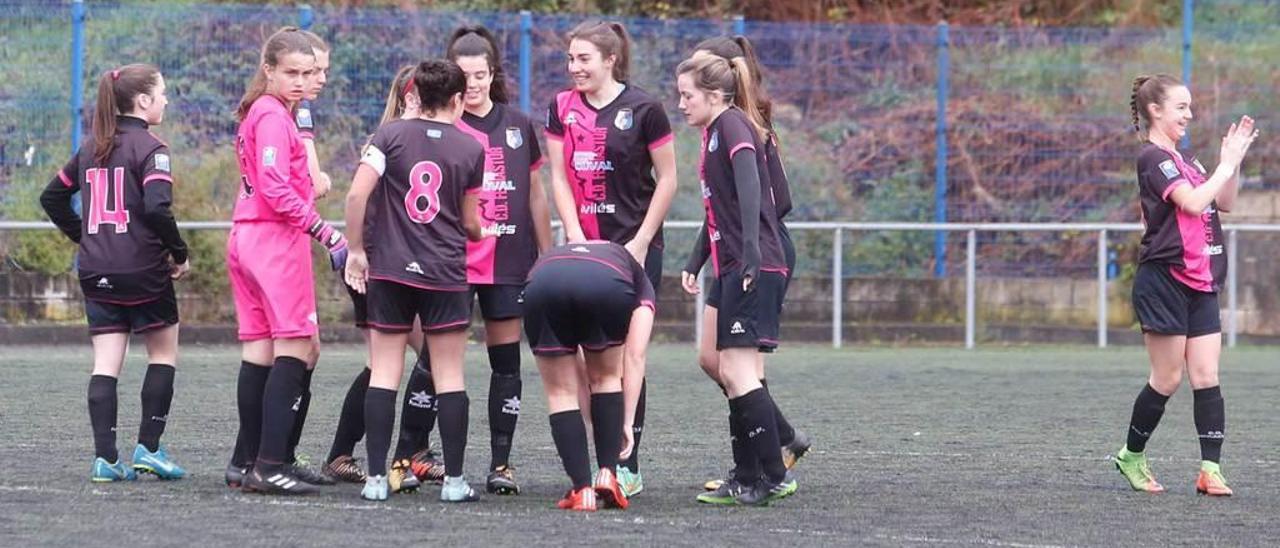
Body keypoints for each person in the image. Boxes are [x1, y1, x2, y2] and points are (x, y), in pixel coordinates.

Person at [544, 20, 677, 497]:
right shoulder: (561, 107)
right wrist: (576, 234)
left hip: (634, 251)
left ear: (609, 59)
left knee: (625, 359)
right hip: (583, 250)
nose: (573, 67)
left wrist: (641, 240)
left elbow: (668, 180)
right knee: (582, 360)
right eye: (570, 59)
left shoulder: (645, 109)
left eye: (583, 59)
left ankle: (628, 463)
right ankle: (601, 457)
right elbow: (558, 177)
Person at [343, 59, 486, 502]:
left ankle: (373, 481)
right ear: (459, 99)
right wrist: (483, 229)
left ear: (416, 96)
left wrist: (356, 251)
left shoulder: (389, 135)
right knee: (450, 375)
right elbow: (471, 223)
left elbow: (355, 194)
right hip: (445, 272)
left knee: (385, 370)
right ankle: (456, 483)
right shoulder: (471, 149)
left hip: (390, 268)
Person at [40, 63, 189, 483]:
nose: (166, 99)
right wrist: (178, 252)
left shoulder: (92, 146)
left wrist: (86, 236)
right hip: (143, 269)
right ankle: (150, 449)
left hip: (96, 270)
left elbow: (52, 197)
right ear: (142, 101)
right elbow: (158, 208)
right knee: (162, 355)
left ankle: (106, 459)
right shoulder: (152, 148)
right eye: (162, 92)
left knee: (106, 364)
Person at [1113, 73, 1257, 497]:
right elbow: (1193, 203)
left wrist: (1232, 162)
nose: (1189, 114)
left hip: (1201, 281)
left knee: (1207, 374)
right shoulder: (1152, 159)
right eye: (1181, 107)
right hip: (1164, 280)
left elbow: (1223, 201)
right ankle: (1131, 455)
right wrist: (1225, 166)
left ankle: (1210, 470)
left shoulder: (1189, 161)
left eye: (1190, 107)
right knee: (1168, 378)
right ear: (1154, 110)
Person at [682, 36, 810, 493]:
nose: (683, 98)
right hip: (737, 253)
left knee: (739, 367)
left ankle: (766, 466)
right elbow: (720, 203)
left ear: (718, 82)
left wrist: (752, 244)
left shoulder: (741, 126)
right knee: (717, 361)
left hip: (756, 255)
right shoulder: (718, 129)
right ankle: (768, 454)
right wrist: (699, 257)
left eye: (692, 84)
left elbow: (775, 199)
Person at [225, 27, 347, 495]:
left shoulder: (265, 111)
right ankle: (270, 464)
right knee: (296, 347)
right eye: (293, 72)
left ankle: (246, 461)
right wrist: (325, 232)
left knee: (261, 350)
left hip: (247, 235)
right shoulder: (273, 115)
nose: (303, 81)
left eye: (310, 72)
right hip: (274, 241)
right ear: (269, 70)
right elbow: (275, 188)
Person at [322, 65, 445, 487]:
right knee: (393, 361)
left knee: (424, 356)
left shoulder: (419, 138)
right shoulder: (391, 140)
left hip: (403, 266)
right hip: (378, 268)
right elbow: (359, 200)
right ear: (414, 97)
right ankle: (375, 454)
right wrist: (358, 254)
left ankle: (408, 451)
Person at [447, 24, 553, 496]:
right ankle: (413, 456)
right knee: (435, 361)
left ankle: (501, 464)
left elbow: (535, 196)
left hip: (509, 263)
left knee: (506, 364)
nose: (472, 84)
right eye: (463, 75)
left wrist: (548, 258)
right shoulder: (442, 124)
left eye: (480, 74)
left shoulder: (519, 125)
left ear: (493, 75)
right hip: (449, 262)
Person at [522, 241, 655, 512]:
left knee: (560, 393)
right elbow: (635, 356)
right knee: (606, 377)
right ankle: (608, 473)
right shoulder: (640, 280)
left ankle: (582, 489)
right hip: (606, 282)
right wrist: (626, 422)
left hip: (543, 278)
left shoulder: (566, 250)